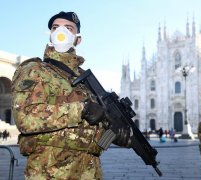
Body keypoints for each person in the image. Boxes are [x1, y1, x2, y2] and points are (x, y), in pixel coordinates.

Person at [11, 11, 131, 179]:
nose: (61, 32)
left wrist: (114, 134)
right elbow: (25, 118)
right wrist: (81, 110)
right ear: (51, 35)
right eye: (55, 28)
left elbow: (94, 128)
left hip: (90, 172)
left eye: (68, 28)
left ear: (77, 38)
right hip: (50, 172)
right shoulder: (34, 70)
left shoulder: (86, 79)